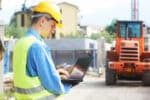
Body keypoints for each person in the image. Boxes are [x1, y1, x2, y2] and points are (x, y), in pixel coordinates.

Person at [13, 1, 72, 100]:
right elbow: (53, 85)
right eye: (53, 25)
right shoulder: (37, 46)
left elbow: (30, 75)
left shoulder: (20, 43)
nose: (53, 30)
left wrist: (54, 73)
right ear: (43, 21)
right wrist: (69, 83)